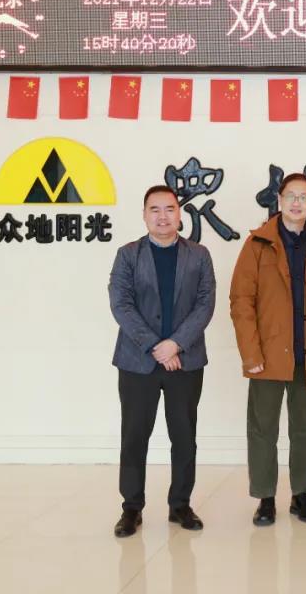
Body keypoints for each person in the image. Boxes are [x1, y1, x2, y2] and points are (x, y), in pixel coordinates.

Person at [230, 173, 306, 526]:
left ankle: (301, 495)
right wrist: (251, 354)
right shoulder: (257, 244)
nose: (297, 203)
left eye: (304, 197)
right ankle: (265, 498)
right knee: (262, 429)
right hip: (266, 356)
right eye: (290, 196)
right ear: (279, 200)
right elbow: (241, 301)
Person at [108, 185, 216, 538]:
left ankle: (180, 504)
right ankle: (131, 507)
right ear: (144, 215)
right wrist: (156, 346)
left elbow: (205, 304)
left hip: (185, 362)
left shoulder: (199, 255)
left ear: (179, 214)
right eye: (154, 209)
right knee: (134, 435)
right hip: (137, 361)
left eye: (169, 208)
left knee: (184, 436)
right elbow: (121, 304)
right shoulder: (128, 255)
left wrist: (176, 345)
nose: (162, 216)